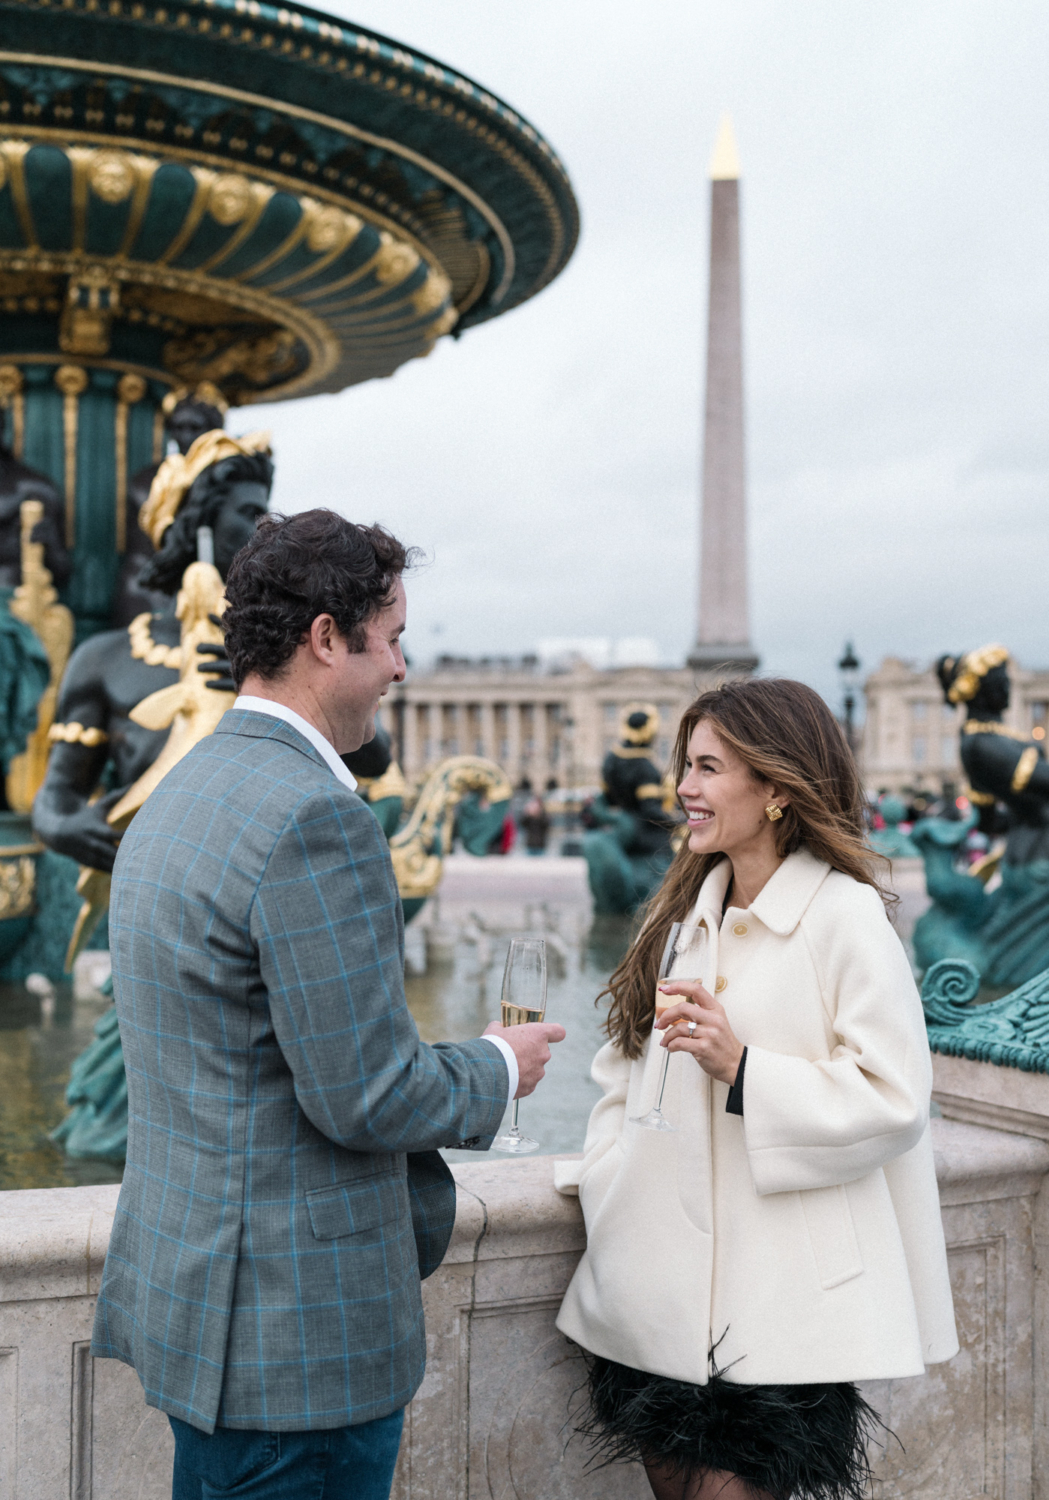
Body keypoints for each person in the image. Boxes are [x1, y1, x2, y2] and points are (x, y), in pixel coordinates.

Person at [90, 509, 565, 1500]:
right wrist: (493, 1067)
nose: (399, 669)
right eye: (389, 640)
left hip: (200, 1302)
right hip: (293, 1343)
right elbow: (364, 1096)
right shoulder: (315, 816)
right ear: (322, 639)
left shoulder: (180, 794)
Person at [555, 678, 957, 1500]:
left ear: (775, 788)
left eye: (707, 768)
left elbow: (894, 1098)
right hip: (654, 1293)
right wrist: (607, 1173)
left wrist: (744, 1069)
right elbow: (620, 1071)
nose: (683, 790)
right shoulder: (679, 917)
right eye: (685, 766)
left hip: (783, 1305)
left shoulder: (845, 919)